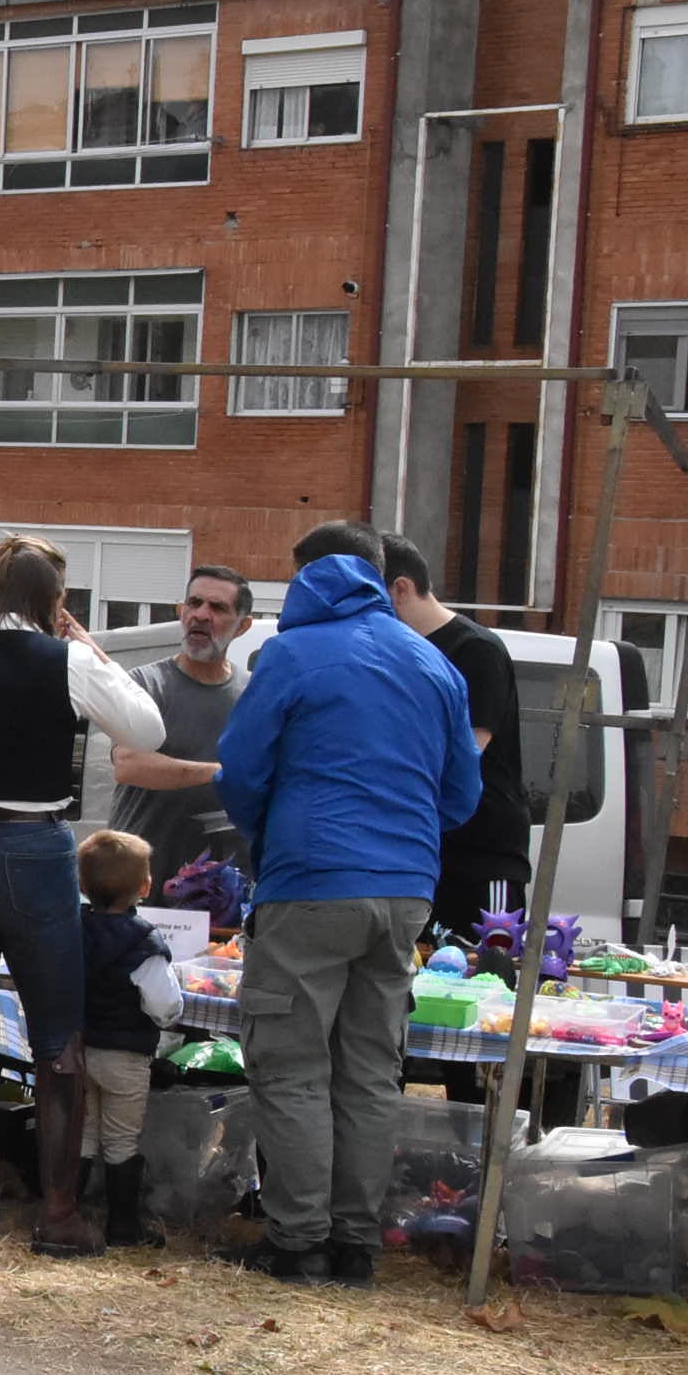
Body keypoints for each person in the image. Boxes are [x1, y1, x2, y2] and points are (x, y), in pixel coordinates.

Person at [216, 519, 483, 1285]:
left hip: (311, 879)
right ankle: (355, 1247)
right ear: (376, 573)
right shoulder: (433, 662)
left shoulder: (293, 653)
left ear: (304, 577)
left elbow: (240, 771)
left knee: (292, 1064)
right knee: (371, 1071)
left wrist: (272, 837)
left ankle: (298, 1242)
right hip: (405, 890)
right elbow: (461, 793)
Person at [0, 534, 164, 1254]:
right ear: (54, 600)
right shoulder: (69, 660)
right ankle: (58, 1213)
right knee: (56, 1035)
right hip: (36, 846)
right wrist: (87, 645)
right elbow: (148, 728)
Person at [380, 534, 530, 945]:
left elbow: (466, 753)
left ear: (401, 589)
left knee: (486, 974)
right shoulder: (396, 653)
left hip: (481, 852)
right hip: (422, 848)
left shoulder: (476, 649)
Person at [107, 565, 255, 873]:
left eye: (217, 607)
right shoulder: (143, 684)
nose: (201, 614)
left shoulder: (255, 694)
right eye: (194, 603)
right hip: (139, 878)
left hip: (220, 886)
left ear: (242, 626)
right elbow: (129, 764)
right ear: (181, 611)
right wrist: (219, 773)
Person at [75, 829, 181, 1248]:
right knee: (121, 1137)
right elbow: (165, 1006)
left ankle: (65, 1211)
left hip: (79, 1046)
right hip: (125, 1054)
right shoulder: (144, 941)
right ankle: (122, 1226)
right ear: (146, 885)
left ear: (82, 885)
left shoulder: (70, 929)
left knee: (81, 1132)